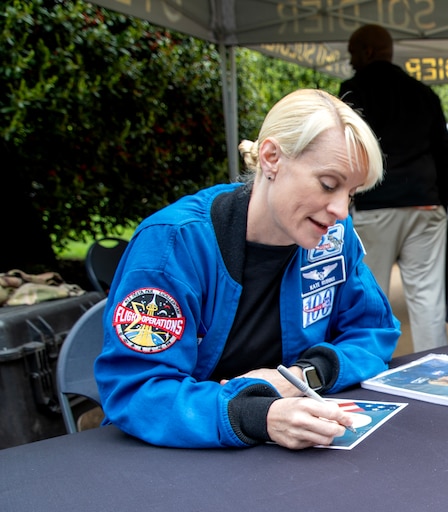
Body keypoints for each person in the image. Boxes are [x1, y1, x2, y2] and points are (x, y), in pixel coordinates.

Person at [95, 89, 400, 450]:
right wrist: (257, 416)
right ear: (271, 158)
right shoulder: (173, 244)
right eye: (328, 184)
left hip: (286, 456)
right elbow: (137, 389)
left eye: (351, 193)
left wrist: (303, 376)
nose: (340, 211)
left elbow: (373, 332)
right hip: (176, 459)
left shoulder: (332, 236)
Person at [338, 24, 448, 353]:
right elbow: (444, 153)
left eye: (353, 54)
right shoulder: (423, 92)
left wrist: (349, 200)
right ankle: (439, 369)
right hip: (425, 203)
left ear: (367, 52)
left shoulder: (353, 90)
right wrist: (439, 201)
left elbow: (343, 150)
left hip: (375, 203)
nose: (351, 62)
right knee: (428, 298)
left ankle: (370, 369)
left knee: (370, 296)